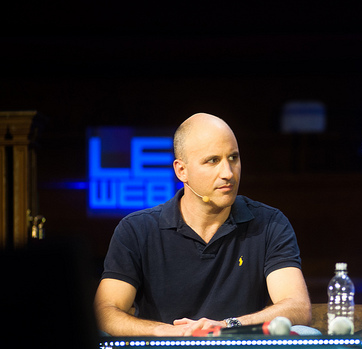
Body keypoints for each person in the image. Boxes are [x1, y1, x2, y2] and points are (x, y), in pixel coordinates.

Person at [94, 113, 313, 337]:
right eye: (213, 161)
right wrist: (165, 332)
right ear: (182, 171)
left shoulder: (269, 223)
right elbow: (105, 312)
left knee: (305, 333)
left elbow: (297, 307)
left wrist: (227, 326)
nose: (228, 173)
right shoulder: (136, 230)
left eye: (233, 158)